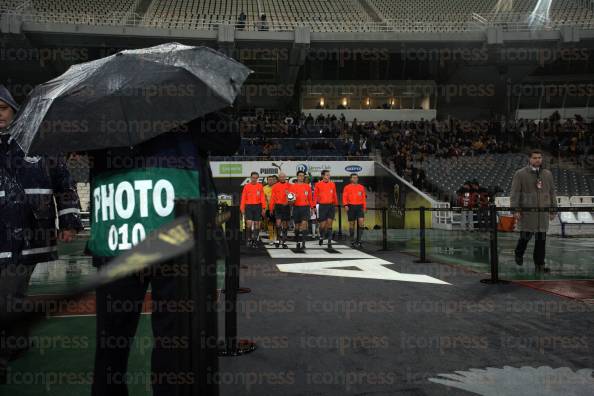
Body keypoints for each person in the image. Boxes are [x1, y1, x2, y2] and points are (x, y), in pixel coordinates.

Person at [88, 113, 238, 395]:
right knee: (112, 341)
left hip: (169, 232)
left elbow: (229, 141)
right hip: (123, 230)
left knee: (174, 342)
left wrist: (192, 110)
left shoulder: (185, 98)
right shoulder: (104, 102)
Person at [0, 85, 82, 382]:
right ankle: (18, 338)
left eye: (3, 108)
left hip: (28, 234)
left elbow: (64, 181)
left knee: (8, 295)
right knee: (11, 297)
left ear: (14, 110)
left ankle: (8, 349)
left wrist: (70, 220)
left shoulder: (38, 140)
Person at [511, 149, 557, 273]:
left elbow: (552, 192)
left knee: (541, 241)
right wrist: (516, 209)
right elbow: (515, 193)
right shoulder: (520, 174)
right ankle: (518, 253)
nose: (538, 160)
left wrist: (553, 209)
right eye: (535, 158)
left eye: (539, 158)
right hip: (527, 213)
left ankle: (539, 265)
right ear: (529, 159)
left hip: (542, 214)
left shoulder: (547, 174)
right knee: (525, 238)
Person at [240, 171, 266, 247]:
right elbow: (243, 198)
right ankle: (248, 239)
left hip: (257, 206)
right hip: (248, 206)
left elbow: (262, 197)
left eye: (256, 178)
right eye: (253, 178)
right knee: (249, 223)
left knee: (257, 224)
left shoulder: (260, 186)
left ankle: (255, 240)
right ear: (250, 178)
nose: (254, 179)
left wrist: (264, 207)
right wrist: (242, 208)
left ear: (257, 178)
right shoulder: (246, 186)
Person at [313, 170, 338, 248]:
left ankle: (329, 242)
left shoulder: (332, 184)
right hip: (322, 206)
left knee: (330, 223)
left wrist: (336, 205)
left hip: (331, 206)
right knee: (322, 225)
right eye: (327, 175)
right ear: (323, 176)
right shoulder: (318, 184)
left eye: (329, 175)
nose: (328, 176)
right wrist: (314, 206)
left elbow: (334, 195)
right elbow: (315, 196)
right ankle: (321, 236)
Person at [290, 170, 314, 250]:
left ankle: (303, 243)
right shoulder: (292, 187)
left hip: (305, 208)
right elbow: (290, 199)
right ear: (297, 177)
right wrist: (291, 201)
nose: (301, 177)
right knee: (296, 226)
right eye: (300, 175)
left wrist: (312, 208)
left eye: (303, 176)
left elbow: (310, 198)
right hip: (296, 208)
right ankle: (297, 241)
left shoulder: (307, 186)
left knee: (304, 224)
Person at [342, 173, 367, 247]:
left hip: (359, 207)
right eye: (354, 178)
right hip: (351, 207)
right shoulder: (347, 187)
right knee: (352, 224)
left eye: (356, 177)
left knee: (361, 223)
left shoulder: (361, 187)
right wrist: (345, 205)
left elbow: (363, 199)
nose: (355, 179)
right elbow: (344, 197)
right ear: (351, 179)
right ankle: (352, 240)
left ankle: (359, 241)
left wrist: (364, 207)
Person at [270, 172, 291, 248]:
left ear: (285, 177)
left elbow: (293, 196)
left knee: (285, 225)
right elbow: (272, 198)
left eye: (283, 177)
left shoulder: (290, 186)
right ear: (279, 178)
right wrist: (271, 209)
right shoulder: (275, 186)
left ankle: (284, 241)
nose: (282, 178)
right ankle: (278, 240)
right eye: (281, 177)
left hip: (286, 206)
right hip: (278, 206)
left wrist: (288, 202)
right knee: (278, 224)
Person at [263, 175, 277, 244]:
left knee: (277, 223)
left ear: (274, 180)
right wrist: (264, 208)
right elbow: (263, 199)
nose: (271, 181)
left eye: (272, 179)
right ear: (267, 180)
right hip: (268, 209)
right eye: (269, 179)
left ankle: (276, 237)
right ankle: (271, 238)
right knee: (270, 223)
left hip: (277, 208)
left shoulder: (277, 187)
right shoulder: (264, 188)